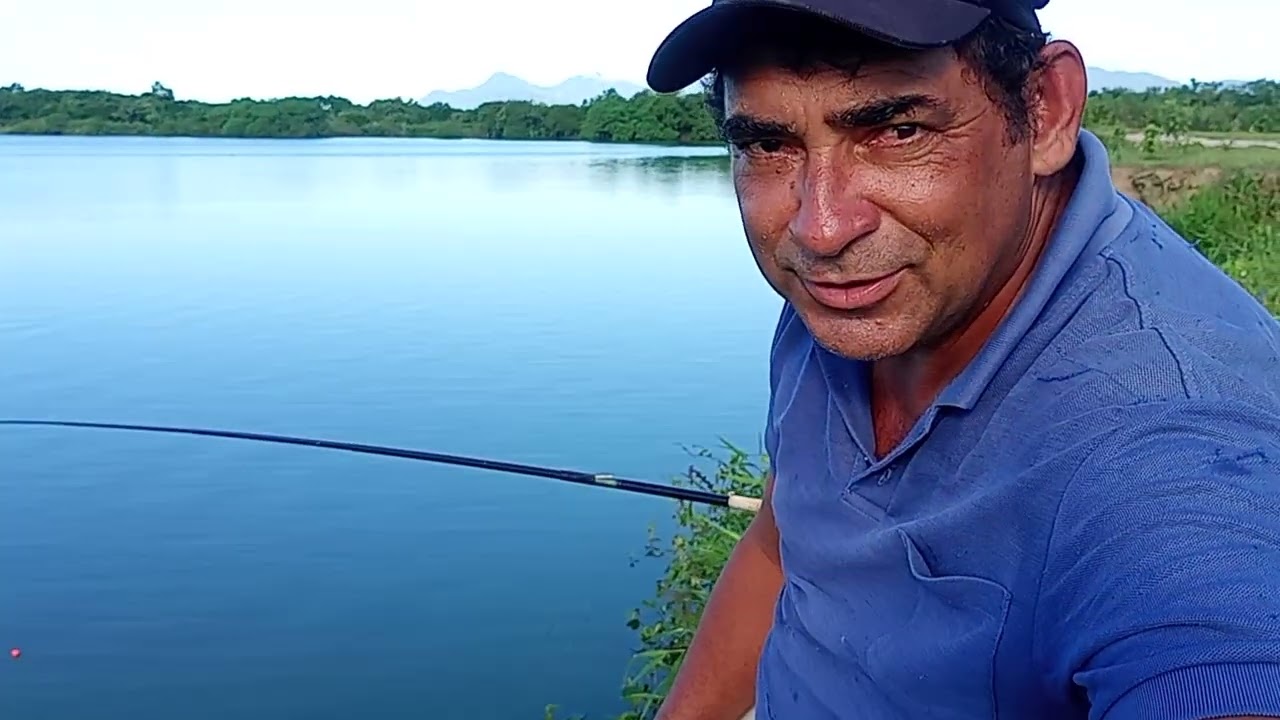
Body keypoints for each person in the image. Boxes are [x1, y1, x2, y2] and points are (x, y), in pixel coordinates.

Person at [641, 0, 1280, 718]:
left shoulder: (1175, 440)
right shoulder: (861, 295)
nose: (820, 229)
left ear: (1045, 111)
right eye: (767, 144)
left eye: (898, 130)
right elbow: (786, 535)